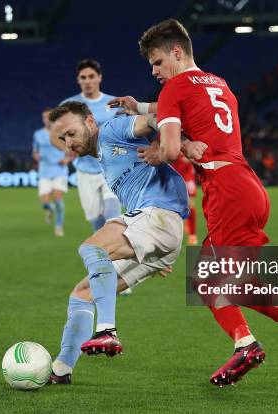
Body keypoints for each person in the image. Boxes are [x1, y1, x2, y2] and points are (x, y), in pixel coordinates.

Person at [109, 18, 278, 386]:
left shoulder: (174, 88)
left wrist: (158, 153)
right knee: (245, 289)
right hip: (246, 186)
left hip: (226, 191)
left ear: (177, 52)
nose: (154, 70)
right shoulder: (218, 83)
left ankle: (246, 345)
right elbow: (189, 110)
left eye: (157, 61)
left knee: (206, 279)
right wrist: (140, 106)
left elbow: (173, 145)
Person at [47, 101, 189, 384]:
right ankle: (62, 369)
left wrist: (167, 145)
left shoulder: (111, 130)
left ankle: (107, 331)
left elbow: (157, 118)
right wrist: (152, 252)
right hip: (158, 232)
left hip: (158, 215)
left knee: (91, 247)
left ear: (90, 123)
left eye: (72, 133)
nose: (68, 143)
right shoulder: (103, 157)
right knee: (82, 293)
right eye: (63, 139)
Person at [57, 59, 122, 231]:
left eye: (91, 76)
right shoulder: (68, 106)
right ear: (78, 80)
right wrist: (67, 147)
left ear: (99, 77)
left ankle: (120, 254)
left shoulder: (113, 103)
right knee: (96, 221)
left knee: (112, 214)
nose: (87, 81)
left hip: (111, 167)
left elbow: (123, 132)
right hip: (85, 171)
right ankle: (106, 253)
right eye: (83, 77)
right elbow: (55, 136)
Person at [32, 108, 69, 236]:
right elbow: (35, 151)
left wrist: (67, 159)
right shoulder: (38, 134)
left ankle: (58, 227)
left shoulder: (63, 132)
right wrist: (36, 157)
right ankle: (50, 210)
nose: (46, 119)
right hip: (44, 170)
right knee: (45, 202)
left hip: (59, 170)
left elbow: (72, 149)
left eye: (49, 116)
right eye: (44, 117)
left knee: (58, 197)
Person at [172, 153, 198, 244]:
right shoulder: (173, 149)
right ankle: (177, 233)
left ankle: (192, 234)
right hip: (176, 180)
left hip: (187, 179)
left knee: (190, 206)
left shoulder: (189, 147)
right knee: (175, 209)